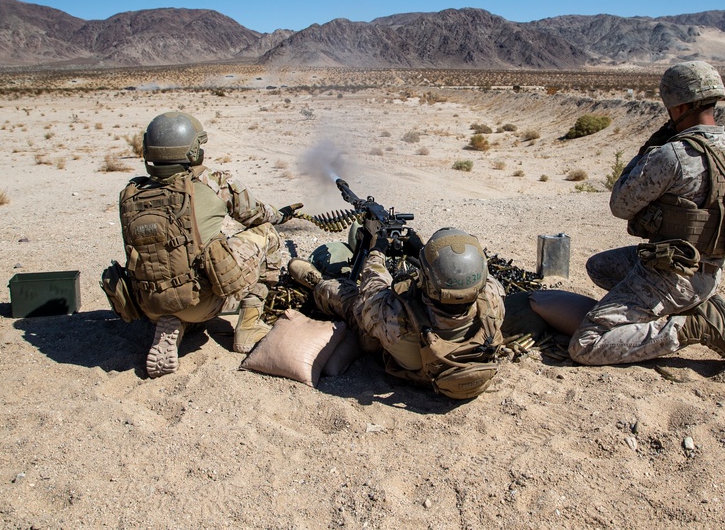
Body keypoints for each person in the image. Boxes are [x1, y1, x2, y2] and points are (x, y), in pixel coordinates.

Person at [567, 61, 725, 377]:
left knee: (585, 344)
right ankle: (699, 305)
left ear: (678, 106)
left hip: (673, 276)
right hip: (707, 270)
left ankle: (692, 327)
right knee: (599, 266)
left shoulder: (674, 154)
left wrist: (649, 149)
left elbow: (621, 204)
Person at [119, 111, 300, 377]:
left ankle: (175, 322)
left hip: (148, 305)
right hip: (202, 302)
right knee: (267, 233)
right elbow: (258, 216)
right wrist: (281, 214)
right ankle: (248, 325)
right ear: (193, 152)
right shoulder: (214, 183)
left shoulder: (131, 194)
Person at [287, 227, 506, 399]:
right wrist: (420, 250)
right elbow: (476, 276)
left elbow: (371, 289)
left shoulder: (394, 314)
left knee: (349, 299)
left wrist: (376, 252)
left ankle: (317, 284)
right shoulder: (493, 298)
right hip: (457, 363)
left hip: (415, 372)